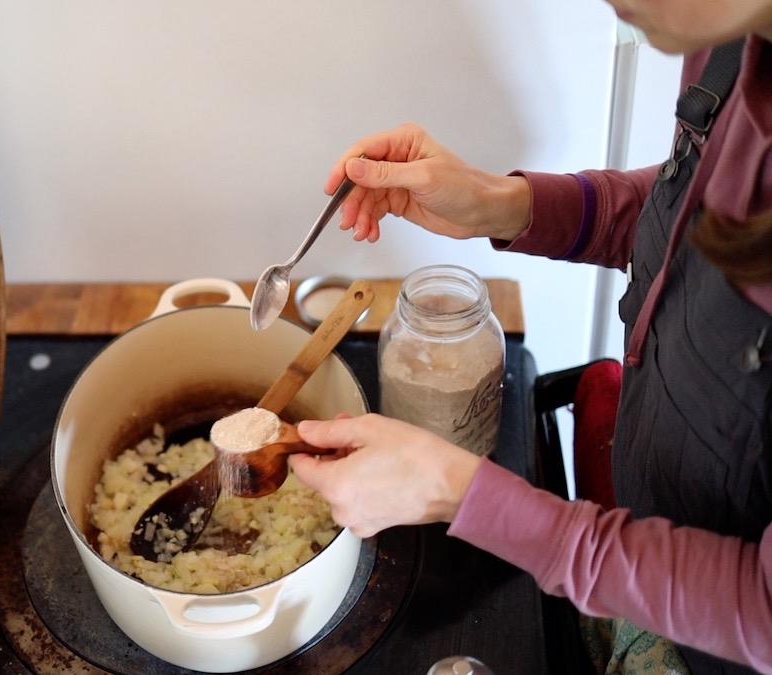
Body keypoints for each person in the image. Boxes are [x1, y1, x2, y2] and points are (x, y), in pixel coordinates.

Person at [287, 1, 772, 672]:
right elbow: (696, 218)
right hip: (635, 549)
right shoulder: (735, 32)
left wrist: (464, 493)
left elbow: (761, 608)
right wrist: (499, 202)